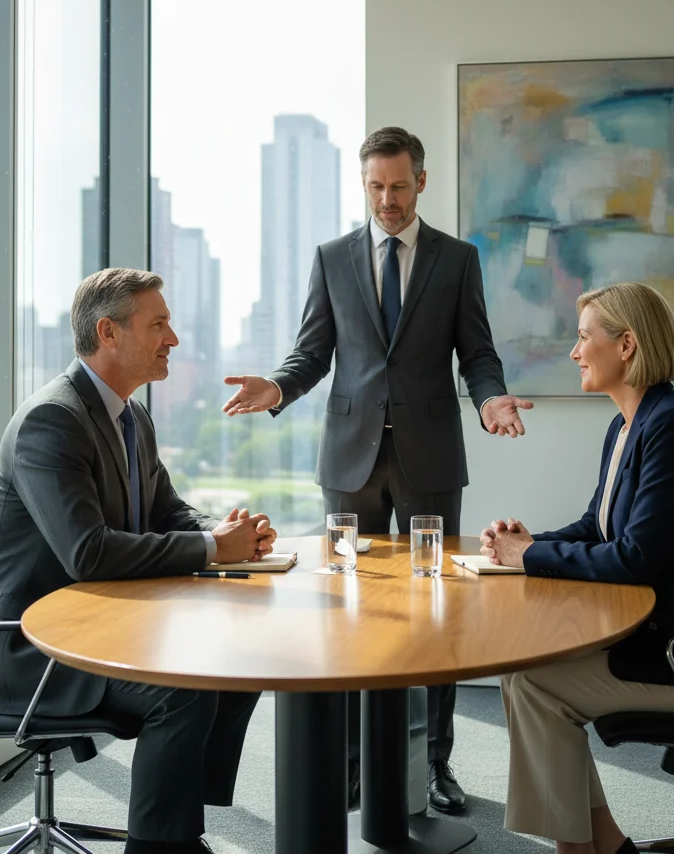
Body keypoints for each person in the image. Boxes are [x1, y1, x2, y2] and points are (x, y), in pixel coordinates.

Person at [221, 126, 533, 814]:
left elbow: (476, 354)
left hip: (431, 460)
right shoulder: (332, 258)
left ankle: (435, 765)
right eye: (375, 187)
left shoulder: (457, 259)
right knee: (346, 611)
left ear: (421, 181)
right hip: (349, 463)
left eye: (398, 186)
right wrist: (276, 388)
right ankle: (355, 763)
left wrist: (489, 402)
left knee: (437, 611)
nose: (387, 200)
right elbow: (312, 352)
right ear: (363, 186)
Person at [0, 269, 277, 854]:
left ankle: (173, 831)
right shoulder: (51, 422)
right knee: (184, 691)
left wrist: (227, 534)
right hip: (26, 647)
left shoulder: (130, 416)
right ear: (109, 332)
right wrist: (211, 549)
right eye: (159, 324)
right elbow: (87, 552)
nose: (173, 338)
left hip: (92, 625)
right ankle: (160, 846)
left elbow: (168, 510)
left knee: (232, 663)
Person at [481, 282, 674, 854]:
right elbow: (600, 527)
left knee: (537, 685)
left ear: (626, 346)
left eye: (582, 338)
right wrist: (526, 544)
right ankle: (605, 844)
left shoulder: (671, 427)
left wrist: (532, 559)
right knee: (524, 672)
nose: (574, 352)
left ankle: (583, 849)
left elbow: (636, 557)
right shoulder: (628, 425)